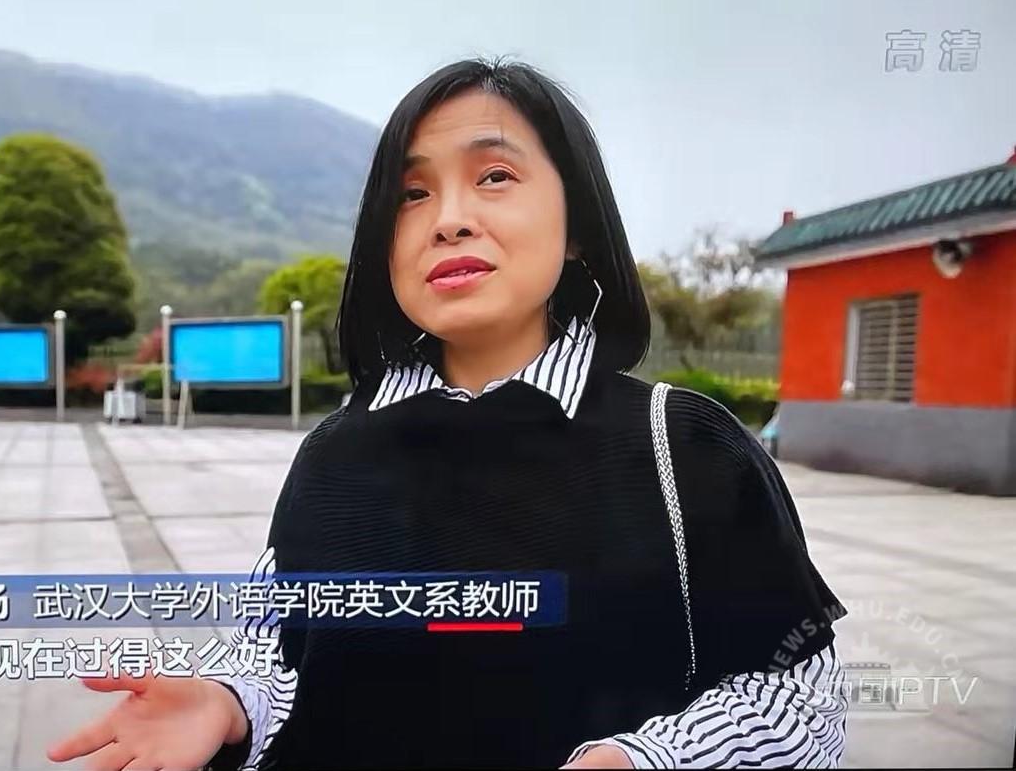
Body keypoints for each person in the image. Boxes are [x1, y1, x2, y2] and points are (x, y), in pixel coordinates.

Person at [45, 58, 849, 770]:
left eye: (493, 176)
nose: (448, 218)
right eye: (411, 193)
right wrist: (226, 701)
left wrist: (643, 758)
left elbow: (798, 701)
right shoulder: (333, 452)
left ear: (576, 225)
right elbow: (276, 656)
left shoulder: (683, 447)